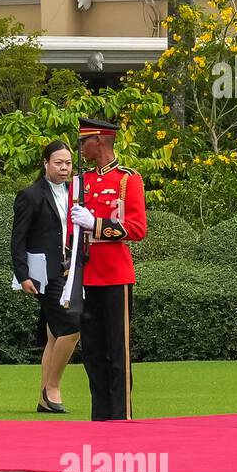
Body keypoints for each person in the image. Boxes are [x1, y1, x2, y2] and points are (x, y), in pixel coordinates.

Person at [71, 118, 147, 420]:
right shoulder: (82, 182)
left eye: (84, 141)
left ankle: (121, 415)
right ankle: (100, 417)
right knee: (92, 353)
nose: (81, 148)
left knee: (118, 352)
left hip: (115, 274)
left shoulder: (128, 180)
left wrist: (97, 225)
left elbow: (137, 228)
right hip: (87, 275)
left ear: (100, 140)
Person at [11, 140, 81, 414]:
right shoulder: (30, 195)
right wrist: (23, 274)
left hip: (70, 271)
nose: (64, 168)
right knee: (72, 328)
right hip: (45, 275)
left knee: (54, 336)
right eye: (58, 163)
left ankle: (44, 400)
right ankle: (52, 388)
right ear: (45, 164)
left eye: (68, 163)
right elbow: (18, 240)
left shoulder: (76, 194)